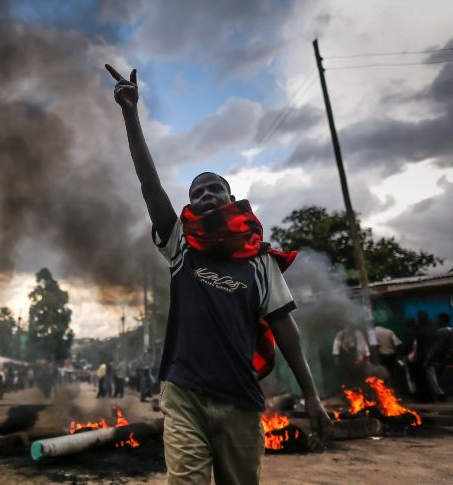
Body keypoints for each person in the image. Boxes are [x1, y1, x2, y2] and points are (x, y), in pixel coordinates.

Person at [106, 64, 329, 485]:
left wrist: (312, 395)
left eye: (214, 189)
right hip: (183, 392)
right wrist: (131, 114)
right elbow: (149, 185)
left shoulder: (260, 261)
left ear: (230, 198)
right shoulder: (181, 244)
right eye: (197, 193)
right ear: (190, 204)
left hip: (240, 398)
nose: (206, 195)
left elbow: (286, 331)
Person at [332, 322, 371, 388]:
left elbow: (363, 345)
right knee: (348, 374)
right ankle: (350, 387)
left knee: (359, 373)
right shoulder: (341, 333)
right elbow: (336, 346)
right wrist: (336, 358)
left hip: (357, 357)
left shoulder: (358, 333)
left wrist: (367, 355)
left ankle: (360, 387)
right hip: (346, 357)